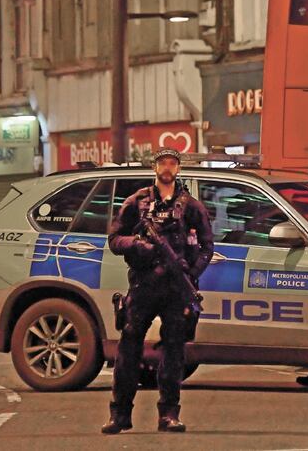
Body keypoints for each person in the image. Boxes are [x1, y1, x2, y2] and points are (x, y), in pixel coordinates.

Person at [101, 148, 213, 434]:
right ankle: (120, 415)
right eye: (163, 162)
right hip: (144, 284)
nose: (167, 167)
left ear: (178, 168)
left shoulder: (191, 206)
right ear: (155, 167)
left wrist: (192, 273)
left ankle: (169, 415)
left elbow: (207, 247)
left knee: (174, 351)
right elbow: (114, 239)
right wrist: (138, 246)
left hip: (178, 288)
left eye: (172, 163)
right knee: (128, 348)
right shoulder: (136, 202)